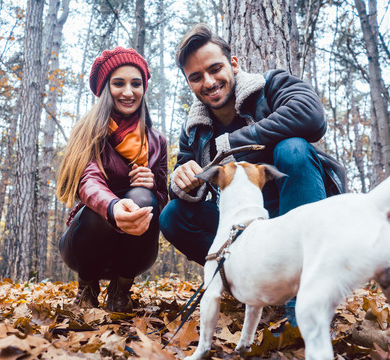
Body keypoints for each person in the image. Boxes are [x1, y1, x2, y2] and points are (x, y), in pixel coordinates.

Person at [158, 24, 346, 326]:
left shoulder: (271, 85)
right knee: (172, 215)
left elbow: (311, 115)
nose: (208, 81)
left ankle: (305, 304)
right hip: (246, 228)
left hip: (297, 212)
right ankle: (252, 289)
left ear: (233, 64)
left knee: (293, 149)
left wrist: (232, 143)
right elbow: (186, 186)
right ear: (189, 83)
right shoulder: (194, 129)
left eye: (215, 68)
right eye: (196, 77)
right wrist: (182, 179)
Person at [57, 47, 168, 313]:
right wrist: (112, 206)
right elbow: (87, 180)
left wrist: (152, 186)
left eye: (136, 84)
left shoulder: (157, 141)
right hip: (86, 239)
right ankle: (87, 286)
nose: (128, 92)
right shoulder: (88, 129)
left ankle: (121, 289)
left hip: (136, 249)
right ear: (106, 88)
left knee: (143, 198)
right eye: (119, 83)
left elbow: (165, 201)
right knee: (101, 211)